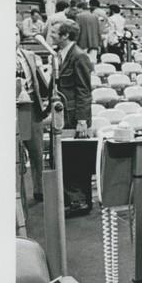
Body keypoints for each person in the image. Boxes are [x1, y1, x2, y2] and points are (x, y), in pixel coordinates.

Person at [55, 19, 94, 215]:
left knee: (75, 160)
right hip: (64, 115)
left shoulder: (79, 56)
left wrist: (82, 121)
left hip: (74, 117)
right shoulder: (61, 54)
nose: (51, 34)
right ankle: (76, 200)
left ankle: (80, 202)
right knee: (69, 159)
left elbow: (84, 91)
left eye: (54, 32)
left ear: (65, 36)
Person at [16, 26, 50, 203]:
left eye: (15, 34)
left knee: (36, 151)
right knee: (16, 154)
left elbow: (39, 81)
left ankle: (39, 190)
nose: (12, 37)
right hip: (12, 108)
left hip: (31, 105)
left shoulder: (28, 55)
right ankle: (16, 192)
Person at [75, 0, 102, 64]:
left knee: (82, 64)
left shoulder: (78, 16)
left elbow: (77, 31)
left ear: (80, 8)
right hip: (94, 43)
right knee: (92, 63)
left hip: (82, 43)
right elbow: (99, 31)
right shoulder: (95, 16)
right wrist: (99, 44)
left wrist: (75, 42)